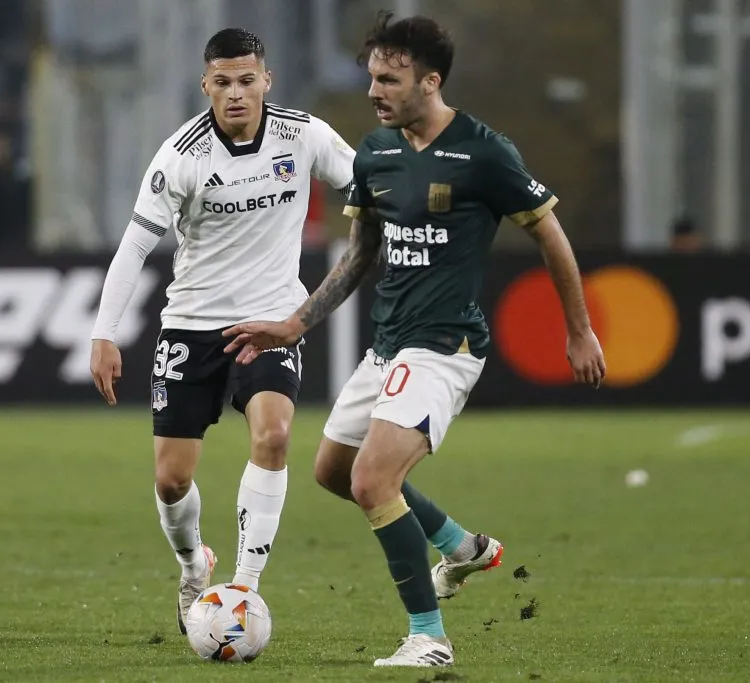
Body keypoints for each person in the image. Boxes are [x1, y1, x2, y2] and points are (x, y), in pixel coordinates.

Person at [223, 12, 606, 667]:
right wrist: (294, 323)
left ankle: (429, 637)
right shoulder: (376, 152)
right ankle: (460, 546)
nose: (375, 91)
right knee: (333, 472)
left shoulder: (484, 152)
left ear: (430, 82)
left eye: (390, 80)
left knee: (374, 481)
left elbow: (551, 235)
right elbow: (358, 255)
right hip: (388, 345)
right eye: (372, 77)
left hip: (444, 347)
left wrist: (580, 331)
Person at [88, 28, 355, 635]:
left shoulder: (304, 136)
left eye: (246, 80)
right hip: (191, 327)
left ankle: (243, 590)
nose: (236, 93)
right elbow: (135, 247)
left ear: (267, 81)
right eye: (223, 82)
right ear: (205, 85)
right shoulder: (180, 155)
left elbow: (369, 185)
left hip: (268, 323)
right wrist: (105, 333)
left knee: (274, 435)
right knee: (171, 478)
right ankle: (193, 567)